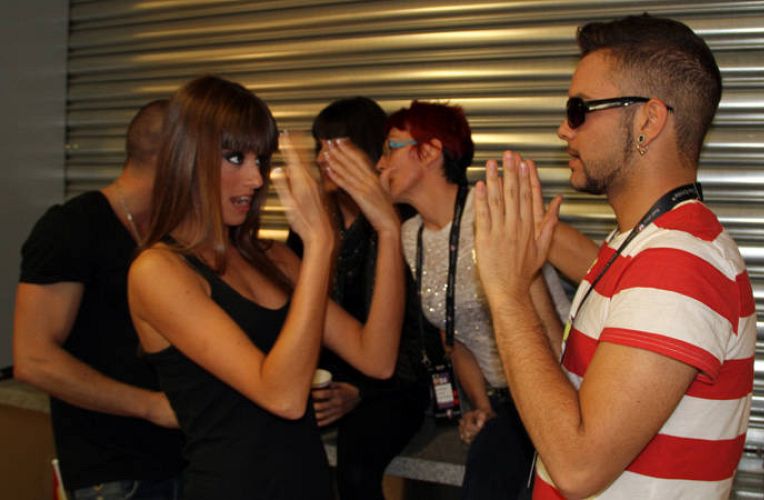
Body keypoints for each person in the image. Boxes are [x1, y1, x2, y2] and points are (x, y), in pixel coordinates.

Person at [473, 14, 756, 499]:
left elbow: (578, 466)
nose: (563, 130)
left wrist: (506, 296)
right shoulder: (639, 242)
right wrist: (525, 277)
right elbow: (565, 391)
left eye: (578, 110)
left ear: (648, 120)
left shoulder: (679, 263)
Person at [128, 76, 405, 499]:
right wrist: (320, 246)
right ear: (188, 158)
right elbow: (283, 397)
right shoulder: (158, 272)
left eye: (261, 159)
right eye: (235, 158)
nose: (256, 179)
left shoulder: (273, 257)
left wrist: (388, 230)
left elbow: (377, 358)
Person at [375, 100, 569, 499]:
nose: (379, 165)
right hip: (502, 398)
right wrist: (482, 408)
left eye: (390, 148)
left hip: (552, 384)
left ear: (429, 151)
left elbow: (594, 270)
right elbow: (455, 334)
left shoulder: (490, 214)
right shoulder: (411, 236)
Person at [13, 99, 185, 499]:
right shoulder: (72, 227)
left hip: (184, 463)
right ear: (173, 158)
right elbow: (34, 359)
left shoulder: (174, 233)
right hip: (114, 474)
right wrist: (151, 406)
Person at [287, 97, 438, 500]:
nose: (322, 158)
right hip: (323, 381)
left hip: (394, 383)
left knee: (356, 465)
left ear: (369, 154)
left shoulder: (404, 225)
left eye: (336, 147)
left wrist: (359, 392)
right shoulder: (311, 222)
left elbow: (421, 336)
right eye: (319, 146)